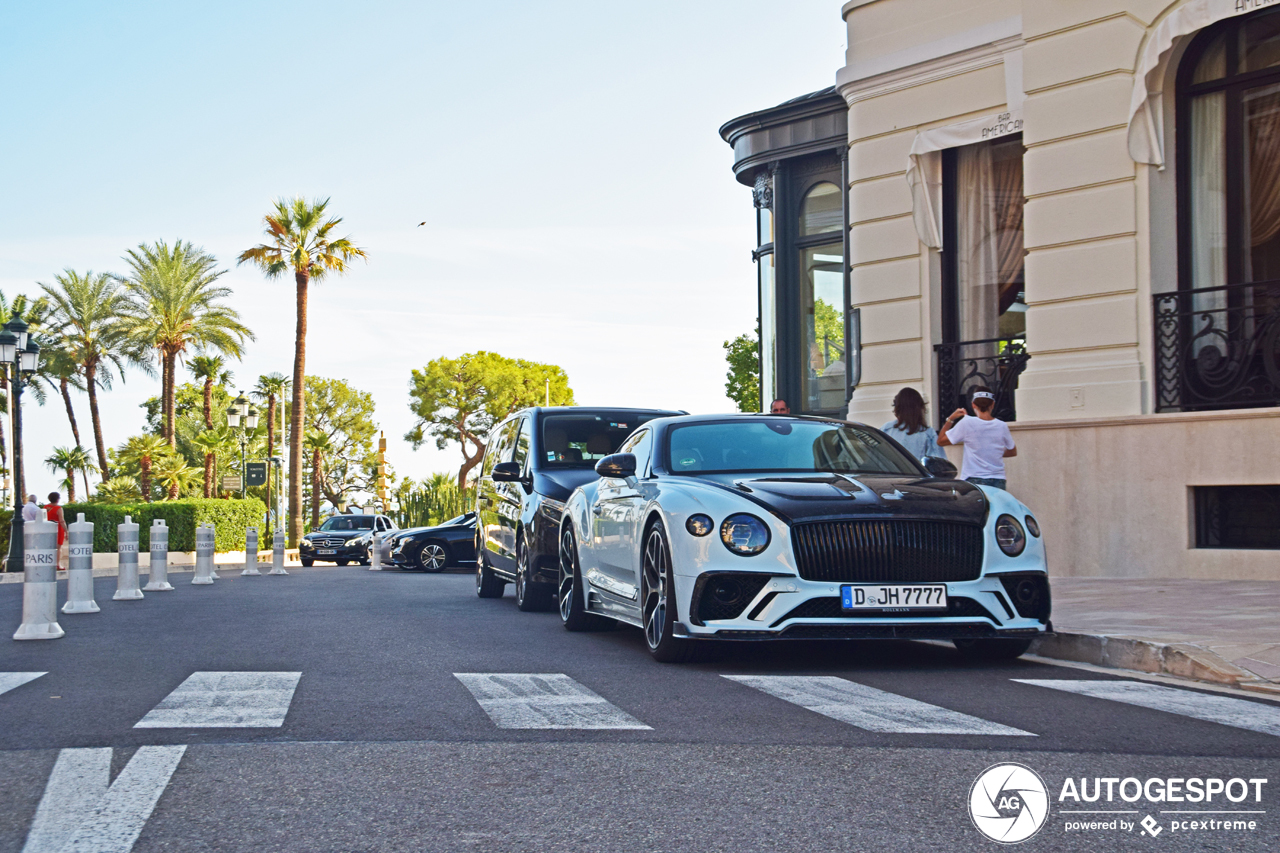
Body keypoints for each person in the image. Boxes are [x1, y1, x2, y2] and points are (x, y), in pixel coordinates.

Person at [937, 386, 1017, 490]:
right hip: (998, 479)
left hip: (974, 478)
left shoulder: (967, 422)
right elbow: (1012, 451)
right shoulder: (1002, 426)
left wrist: (951, 419)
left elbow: (941, 441)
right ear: (992, 405)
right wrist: (993, 452)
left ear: (973, 405)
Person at [880, 387, 942, 461]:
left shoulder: (886, 429)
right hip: (915, 472)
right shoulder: (928, 432)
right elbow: (938, 463)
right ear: (920, 408)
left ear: (897, 408)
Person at [44, 492, 67, 570]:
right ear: (57, 499)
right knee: (58, 548)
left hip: (47, 529)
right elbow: (62, 520)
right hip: (58, 529)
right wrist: (66, 531)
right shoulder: (59, 508)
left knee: (49, 547)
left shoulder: (45, 507)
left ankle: (49, 563)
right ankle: (57, 564)